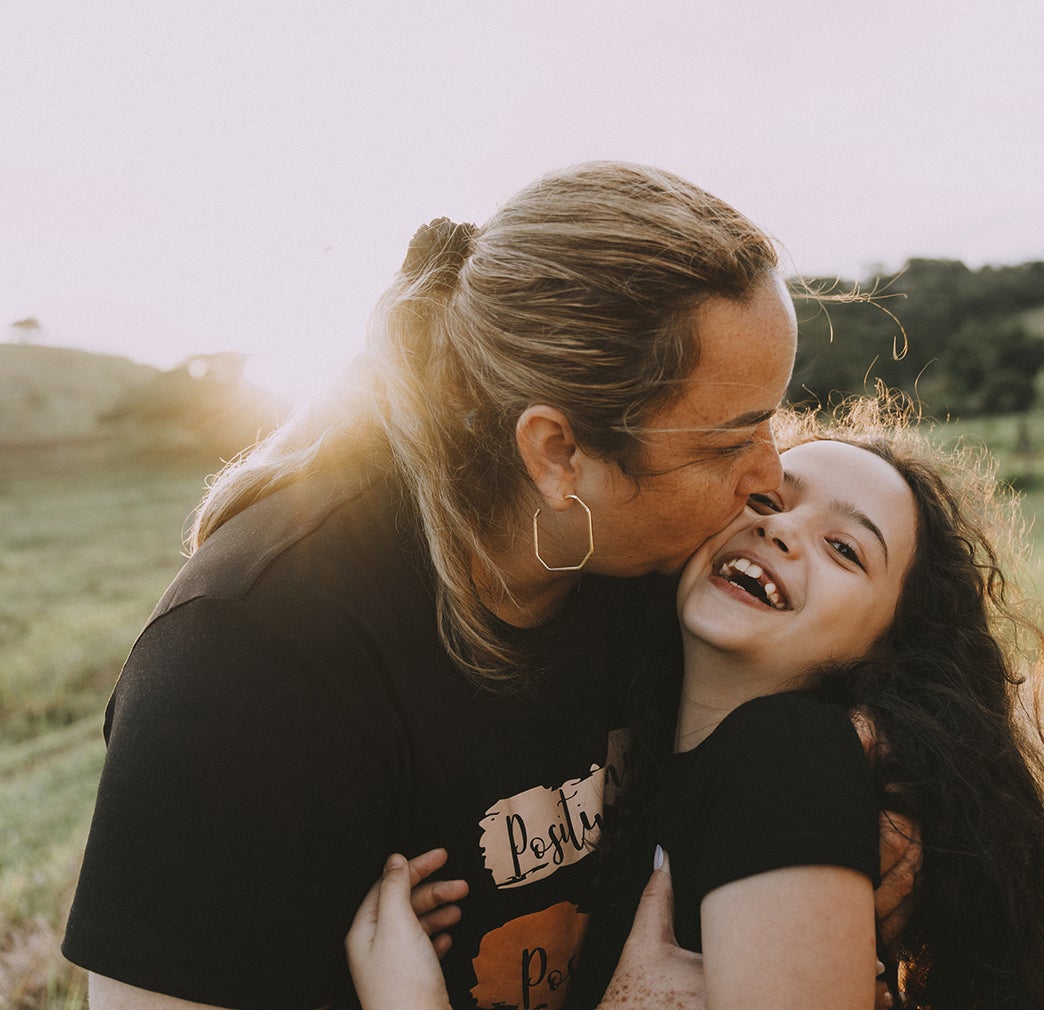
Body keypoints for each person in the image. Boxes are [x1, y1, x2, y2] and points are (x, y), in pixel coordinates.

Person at [61, 162, 904, 1010]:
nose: (771, 479)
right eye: (728, 444)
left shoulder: (663, 568)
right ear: (557, 454)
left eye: (773, 422)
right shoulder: (249, 661)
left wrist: (881, 784)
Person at [346, 401, 1044, 1010]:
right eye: (767, 502)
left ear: (887, 652)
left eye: (844, 548)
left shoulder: (785, 754)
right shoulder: (669, 767)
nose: (780, 530)